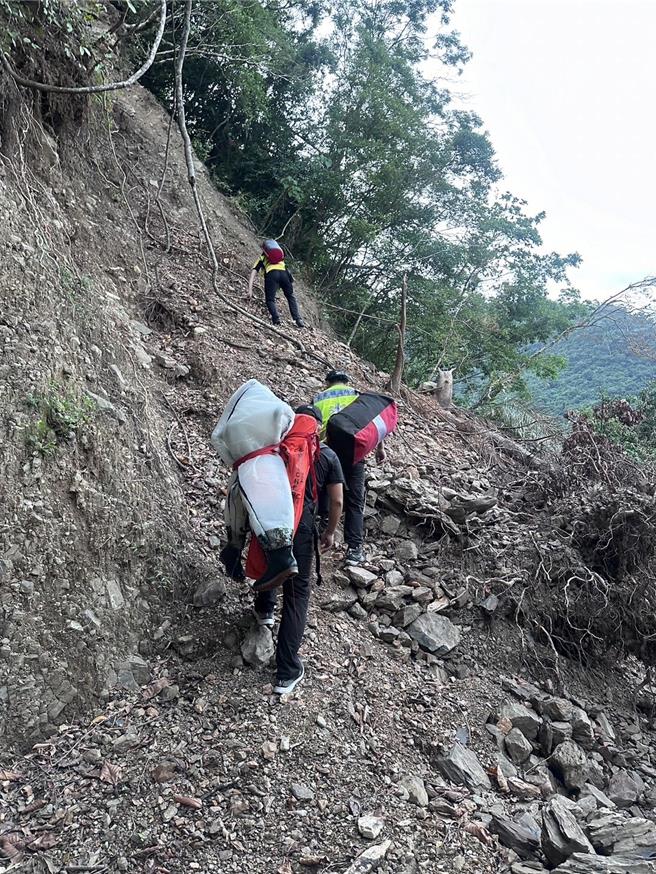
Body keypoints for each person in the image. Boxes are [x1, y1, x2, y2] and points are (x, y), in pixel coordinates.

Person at [253, 405, 344, 694]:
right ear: (319, 427)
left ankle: (265, 611)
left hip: (271, 522)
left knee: (272, 565)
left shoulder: (277, 448)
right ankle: (287, 671)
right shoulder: (327, 455)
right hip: (303, 527)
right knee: (297, 595)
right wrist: (329, 532)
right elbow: (338, 501)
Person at [313, 370, 386, 566]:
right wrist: (380, 448)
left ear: (327, 382)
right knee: (354, 500)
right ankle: (354, 549)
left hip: (326, 451)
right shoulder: (356, 395)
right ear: (346, 381)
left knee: (323, 492)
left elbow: (314, 427)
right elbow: (373, 425)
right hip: (354, 452)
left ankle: (319, 534)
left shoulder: (319, 398)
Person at [248, 239, 305, 328]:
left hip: (272, 274)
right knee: (290, 296)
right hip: (284, 274)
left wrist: (250, 290)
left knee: (270, 300)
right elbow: (287, 271)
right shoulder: (280, 258)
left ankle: (276, 319)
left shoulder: (262, 258)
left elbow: (253, 273)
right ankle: (298, 319)